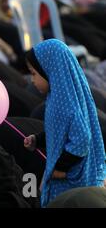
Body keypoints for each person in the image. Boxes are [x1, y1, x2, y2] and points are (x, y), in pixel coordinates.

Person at [23, 39, 105, 207]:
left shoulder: (65, 103)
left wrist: (62, 167)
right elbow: (61, 132)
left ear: (50, 70)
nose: (32, 80)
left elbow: (82, 139)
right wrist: (38, 140)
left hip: (71, 181)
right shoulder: (59, 97)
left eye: (33, 73)